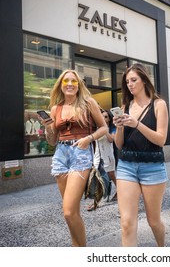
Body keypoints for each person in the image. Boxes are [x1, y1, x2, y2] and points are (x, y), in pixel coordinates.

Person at [40, 69, 107, 246]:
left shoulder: (88, 103)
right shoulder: (56, 108)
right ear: (60, 86)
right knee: (73, 211)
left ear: (78, 85)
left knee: (68, 211)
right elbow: (53, 141)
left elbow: (104, 128)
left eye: (73, 81)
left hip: (81, 153)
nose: (69, 84)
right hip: (61, 155)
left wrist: (88, 138)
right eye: (66, 81)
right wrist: (48, 128)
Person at [113, 63, 169, 247]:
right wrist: (119, 127)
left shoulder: (159, 104)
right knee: (127, 223)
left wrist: (137, 124)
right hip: (126, 165)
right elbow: (119, 144)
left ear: (144, 80)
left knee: (153, 221)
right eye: (127, 81)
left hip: (152, 166)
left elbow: (161, 140)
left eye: (134, 80)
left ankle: (162, 247)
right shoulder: (125, 106)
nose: (129, 84)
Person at [87, 109, 117, 211]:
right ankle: (96, 201)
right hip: (97, 158)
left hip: (108, 157)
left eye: (106, 117)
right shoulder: (96, 129)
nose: (103, 118)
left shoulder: (112, 129)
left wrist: (105, 129)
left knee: (112, 176)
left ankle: (120, 191)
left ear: (109, 119)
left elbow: (111, 139)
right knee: (98, 178)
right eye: (102, 117)